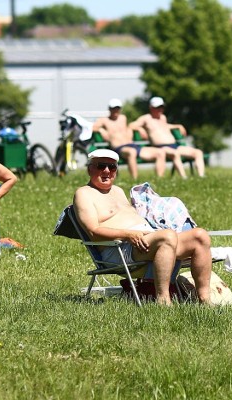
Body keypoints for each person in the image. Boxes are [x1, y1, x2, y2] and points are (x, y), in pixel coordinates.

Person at [73, 149, 212, 305]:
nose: (107, 171)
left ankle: (204, 299)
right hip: (119, 249)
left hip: (144, 242)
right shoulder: (84, 194)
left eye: (112, 167)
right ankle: (163, 300)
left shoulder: (117, 191)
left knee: (200, 235)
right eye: (101, 166)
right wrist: (129, 235)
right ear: (89, 168)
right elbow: (93, 230)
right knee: (167, 236)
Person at [92, 98, 177, 179]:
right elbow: (93, 127)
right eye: (113, 108)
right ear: (109, 109)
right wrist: (101, 130)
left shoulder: (123, 118)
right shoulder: (104, 120)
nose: (115, 110)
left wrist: (140, 129)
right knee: (131, 152)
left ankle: (160, 179)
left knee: (160, 152)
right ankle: (135, 179)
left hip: (132, 144)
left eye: (117, 108)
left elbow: (131, 126)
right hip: (119, 147)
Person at [130, 97, 206, 178]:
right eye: (157, 108)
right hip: (161, 147)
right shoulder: (146, 118)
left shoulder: (163, 117)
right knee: (175, 154)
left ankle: (201, 176)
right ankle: (184, 177)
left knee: (198, 152)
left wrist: (178, 126)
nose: (160, 110)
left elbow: (164, 126)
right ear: (151, 108)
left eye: (161, 107)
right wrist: (140, 129)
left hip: (174, 145)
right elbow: (131, 125)